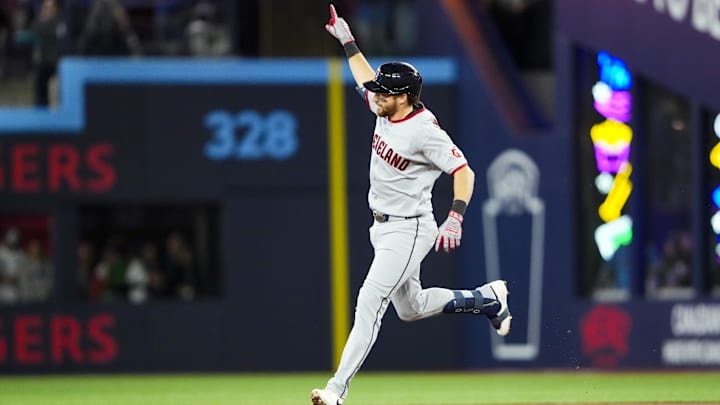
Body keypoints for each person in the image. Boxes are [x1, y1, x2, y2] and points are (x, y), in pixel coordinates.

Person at [311, 5, 512, 405]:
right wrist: (347, 39)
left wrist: (454, 218)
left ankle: (336, 390)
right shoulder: (386, 106)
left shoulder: (424, 130)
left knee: (370, 300)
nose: (375, 94)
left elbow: (465, 172)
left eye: (384, 91)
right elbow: (365, 77)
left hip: (410, 228)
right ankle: (487, 298)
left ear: (403, 97)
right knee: (411, 307)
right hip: (382, 226)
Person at [31, 0, 65, 107]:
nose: (46, 10)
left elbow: (54, 34)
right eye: (45, 7)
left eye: (49, 7)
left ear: (55, 8)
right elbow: (35, 29)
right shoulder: (40, 21)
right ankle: (41, 106)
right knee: (40, 80)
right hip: (45, 61)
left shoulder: (60, 21)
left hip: (58, 60)